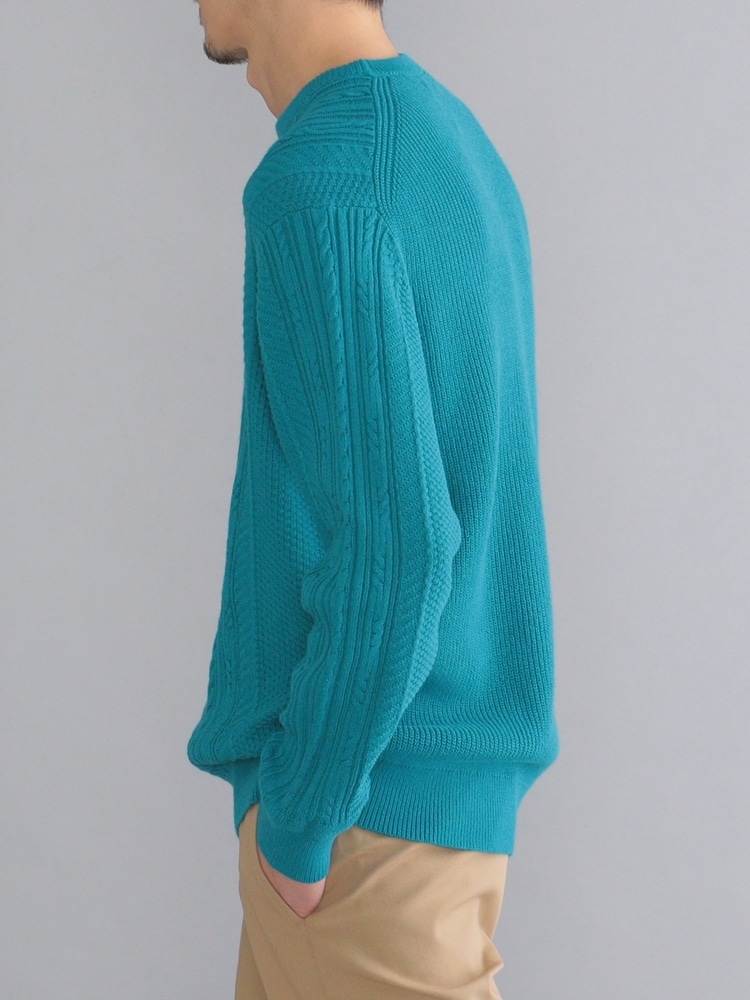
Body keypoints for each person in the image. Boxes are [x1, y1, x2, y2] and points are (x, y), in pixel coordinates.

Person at [186, 1, 560, 997]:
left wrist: (301, 821)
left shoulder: (324, 179)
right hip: (422, 824)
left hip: (361, 828)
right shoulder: (450, 142)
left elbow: (399, 551)